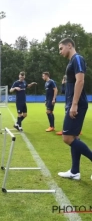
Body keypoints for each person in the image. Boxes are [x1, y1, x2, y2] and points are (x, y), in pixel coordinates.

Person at [57, 38, 92, 180]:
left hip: (77, 104)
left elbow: (80, 80)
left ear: (69, 45)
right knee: (74, 137)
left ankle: (75, 171)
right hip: (72, 103)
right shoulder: (71, 62)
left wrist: (74, 104)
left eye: (61, 48)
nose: (60, 52)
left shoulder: (77, 58)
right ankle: (75, 171)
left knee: (67, 138)